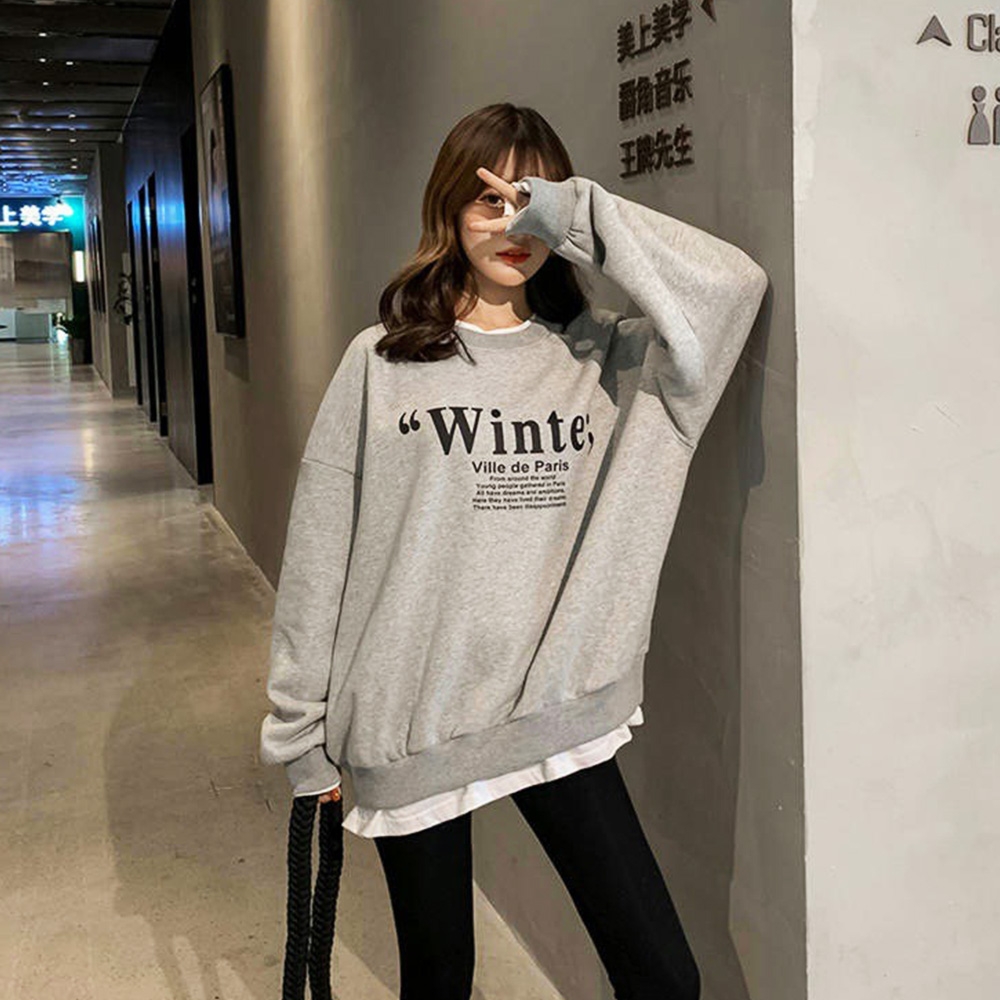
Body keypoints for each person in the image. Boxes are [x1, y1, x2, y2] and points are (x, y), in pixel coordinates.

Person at [260, 102, 768, 1000]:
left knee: (663, 977)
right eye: (489, 200)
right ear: (449, 208)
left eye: (528, 201)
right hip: (411, 719)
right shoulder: (382, 362)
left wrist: (572, 213)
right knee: (440, 981)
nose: (511, 226)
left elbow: (732, 289)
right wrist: (301, 731)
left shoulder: (611, 360)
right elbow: (319, 547)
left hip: (553, 707)